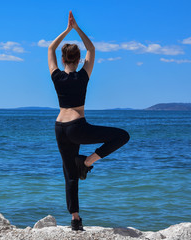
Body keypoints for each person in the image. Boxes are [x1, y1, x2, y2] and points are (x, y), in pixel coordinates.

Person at [47, 11, 130, 231]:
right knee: (122, 136)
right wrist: (77, 28)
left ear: (64, 59)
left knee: (68, 173)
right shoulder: (83, 75)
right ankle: (87, 162)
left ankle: (75, 219)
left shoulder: (56, 75)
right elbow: (92, 49)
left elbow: (49, 49)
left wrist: (66, 30)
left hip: (59, 127)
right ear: (78, 59)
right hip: (76, 126)